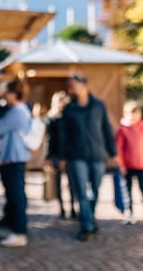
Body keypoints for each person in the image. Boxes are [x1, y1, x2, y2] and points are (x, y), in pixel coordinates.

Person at [60, 72, 116, 242]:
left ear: (82, 85)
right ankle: (87, 225)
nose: (70, 89)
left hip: (98, 154)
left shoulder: (99, 105)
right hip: (77, 155)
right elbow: (63, 134)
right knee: (82, 192)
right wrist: (62, 156)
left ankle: (90, 217)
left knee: (95, 190)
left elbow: (107, 129)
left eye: (72, 85)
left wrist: (113, 152)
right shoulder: (69, 109)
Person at [0, 77, 32, 248]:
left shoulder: (16, 112)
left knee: (16, 195)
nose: (4, 98)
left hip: (13, 157)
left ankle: (19, 232)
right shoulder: (20, 109)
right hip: (15, 156)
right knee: (15, 194)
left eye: (6, 94)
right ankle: (16, 227)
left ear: (13, 94)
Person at [116, 100, 143, 226]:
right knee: (128, 191)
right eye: (130, 113)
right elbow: (118, 149)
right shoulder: (123, 129)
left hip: (142, 166)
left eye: (135, 113)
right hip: (128, 166)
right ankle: (130, 214)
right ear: (125, 114)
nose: (133, 116)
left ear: (140, 114)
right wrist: (121, 165)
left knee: (142, 189)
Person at [46, 91, 76, 220]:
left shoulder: (72, 118)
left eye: (65, 102)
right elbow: (49, 138)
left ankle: (73, 208)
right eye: (60, 102)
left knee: (72, 183)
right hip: (56, 153)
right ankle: (62, 208)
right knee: (57, 182)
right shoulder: (52, 119)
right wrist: (48, 156)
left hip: (70, 154)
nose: (62, 104)